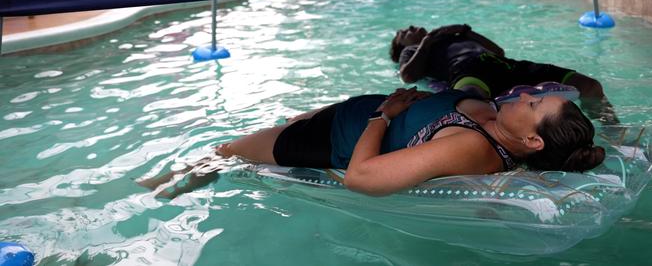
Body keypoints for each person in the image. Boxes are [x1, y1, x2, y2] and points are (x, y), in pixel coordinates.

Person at [139, 87, 605, 198]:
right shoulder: (496, 119)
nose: (526, 94)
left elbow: (362, 178)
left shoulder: (471, 148)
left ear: (531, 139)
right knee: (279, 127)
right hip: (353, 113)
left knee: (227, 150)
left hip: (334, 138)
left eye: (534, 103)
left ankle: (165, 186)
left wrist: (382, 117)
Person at [390, 24, 618, 123]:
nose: (412, 29)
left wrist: (465, 31)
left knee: (589, 85)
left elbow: (498, 51)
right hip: (467, 69)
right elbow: (407, 76)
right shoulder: (413, 51)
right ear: (401, 45)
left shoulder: (452, 36)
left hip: (505, 64)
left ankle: (615, 132)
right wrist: (427, 41)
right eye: (404, 32)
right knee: (470, 104)